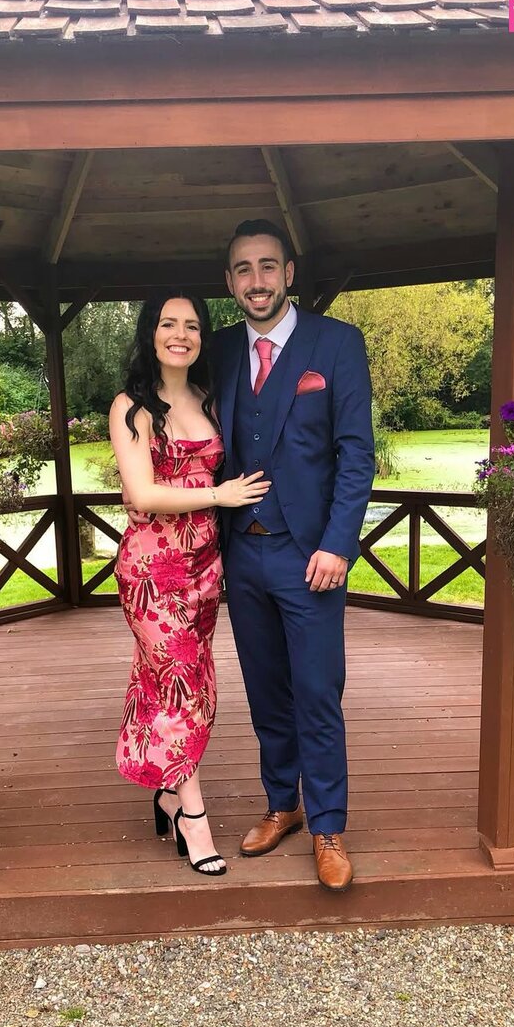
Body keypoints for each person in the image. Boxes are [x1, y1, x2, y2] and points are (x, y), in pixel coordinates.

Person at [213, 219, 375, 891]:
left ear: (289, 273)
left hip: (310, 556)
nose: (256, 280)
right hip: (241, 555)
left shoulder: (336, 344)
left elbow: (356, 454)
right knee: (266, 692)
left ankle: (328, 826)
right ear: (230, 282)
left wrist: (339, 544)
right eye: (243, 269)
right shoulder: (220, 349)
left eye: (267, 266)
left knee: (317, 693)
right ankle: (283, 803)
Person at [109, 292, 270, 877]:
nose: (180, 334)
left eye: (192, 326)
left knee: (187, 682)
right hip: (153, 572)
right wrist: (218, 494)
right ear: (150, 333)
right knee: (179, 686)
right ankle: (193, 817)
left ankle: (167, 794)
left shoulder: (208, 398)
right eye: (168, 324)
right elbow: (142, 493)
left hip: (205, 567)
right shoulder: (131, 407)